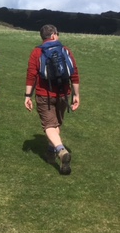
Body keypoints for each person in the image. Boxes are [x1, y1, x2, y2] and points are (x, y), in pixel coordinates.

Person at [24, 24, 80, 174]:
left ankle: (61, 152)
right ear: (54, 35)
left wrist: (28, 96)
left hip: (44, 95)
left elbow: (31, 76)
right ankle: (51, 153)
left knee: (49, 126)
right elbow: (74, 75)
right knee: (55, 125)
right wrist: (76, 95)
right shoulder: (65, 50)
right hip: (63, 94)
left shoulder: (37, 52)